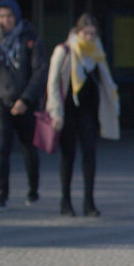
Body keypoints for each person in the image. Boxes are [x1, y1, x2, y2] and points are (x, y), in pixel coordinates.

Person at [46, 14, 120, 216]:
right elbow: (52, 83)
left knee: (90, 154)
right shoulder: (64, 51)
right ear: (77, 32)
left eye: (93, 34)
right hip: (67, 111)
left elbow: (106, 81)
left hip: (88, 112)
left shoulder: (96, 52)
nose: (89, 37)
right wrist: (55, 112)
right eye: (86, 33)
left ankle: (89, 203)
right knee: (68, 156)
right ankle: (66, 201)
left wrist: (113, 104)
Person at [0, 0, 47, 211]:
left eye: (9, 16)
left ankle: (33, 189)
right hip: (1, 100)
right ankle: (1, 196)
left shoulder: (30, 39)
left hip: (25, 101)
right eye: (1, 17)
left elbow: (40, 71)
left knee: (28, 148)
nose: (5, 21)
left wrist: (25, 99)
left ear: (16, 16)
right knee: (1, 150)